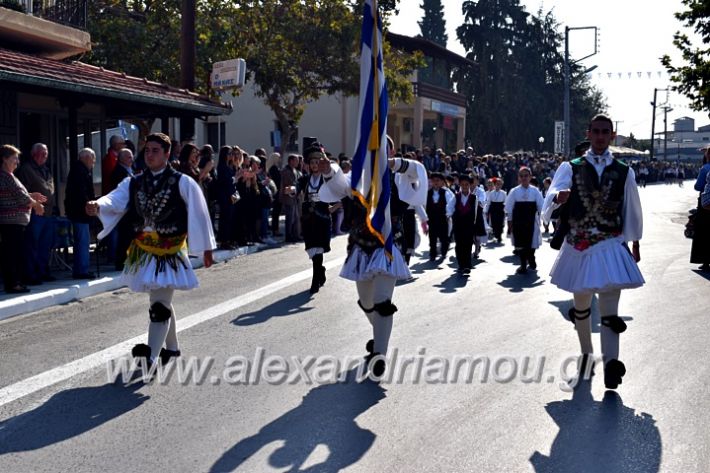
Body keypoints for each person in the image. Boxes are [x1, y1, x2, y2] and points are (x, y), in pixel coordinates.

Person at [86, 133, 215, 368]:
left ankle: (151, 358)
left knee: (159, 305)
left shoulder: (182, 182)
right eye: (147, 150)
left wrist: (205, 248)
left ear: (167, 154)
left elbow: (199, 213)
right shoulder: (134, 181)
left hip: (170, 252)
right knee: (160, 300)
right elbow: (115, 199)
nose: (150, 155)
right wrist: (98, 205)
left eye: (155, 150)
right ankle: (172, 348)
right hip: (144, 250)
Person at [543, 114, 644, 390]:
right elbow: (548, 202)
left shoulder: (625, 171)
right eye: (596, 131)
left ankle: (612, 365)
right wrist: (557, 199)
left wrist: (634, 242)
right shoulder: (571, 167)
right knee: (582, 307)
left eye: (605, 132)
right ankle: (587, 355)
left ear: (612, 135)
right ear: (589, 133)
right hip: (579, 248)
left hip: (611, 245)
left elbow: (631, 209)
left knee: (610, 310)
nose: (600, 136)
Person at [318, 137, 427, 376]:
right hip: (362, 246)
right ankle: (379, 337)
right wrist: (328, 170)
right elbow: (338, 187)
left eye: (383, 147)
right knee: (367, 303)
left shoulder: (399, 175)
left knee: (382, 301)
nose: (377, 151)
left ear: (392, 150)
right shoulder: (357, 177)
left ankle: (379, 354)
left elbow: (418, 174)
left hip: (389, 245)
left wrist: (393, 163)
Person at [0, 145, 47, 293]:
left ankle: (16, 282)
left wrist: (32, 196)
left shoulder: (10, 176)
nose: (17, 162)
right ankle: (13, 284)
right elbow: (20, 197)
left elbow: (19, 194)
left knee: (15, 253)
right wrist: (36, 205)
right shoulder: (4, 176)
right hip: (11, 222)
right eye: (14, 158)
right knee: (12, 254)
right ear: (4, 159)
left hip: (16, 222)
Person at [16, 143, 56, 284]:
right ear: (34, 154)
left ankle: (43, 272)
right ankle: (30, 275)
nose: (45, 155)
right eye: (42, 152)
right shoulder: (26, 169)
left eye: (46, 153)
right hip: (34, 213)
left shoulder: (46, 169)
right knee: (32, 245)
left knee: (45, 245)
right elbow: (22, 192)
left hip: (48, 213)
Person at [298, 146, 333, 294]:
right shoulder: (304, 179)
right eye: (312, 162)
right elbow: (296, 188)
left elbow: (339, 194)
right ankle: (321, 270)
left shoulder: (327, 179)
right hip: (308, 219)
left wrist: (334, 207)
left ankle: (315, 281)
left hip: (322, 218)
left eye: (317, 162)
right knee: (312, 249)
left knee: (319, 248)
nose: (314, 165)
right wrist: (292, 190)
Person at [65, 148, 98, 280]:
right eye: (92, 159)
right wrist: (89, 204)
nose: (93, 162)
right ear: (86, 158)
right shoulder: (80, 171)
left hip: (79, 211)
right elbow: (81, 192)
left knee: (82, 241)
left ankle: (81, 269)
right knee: (83, 242)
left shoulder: (80, 170)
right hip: (80, 212)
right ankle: (81, 270)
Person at [505, 166, 544, 274]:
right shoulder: (514, 191)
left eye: (526, 176)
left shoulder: (535, 191)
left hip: (531, 221)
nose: (524, 178)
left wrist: (543, 218)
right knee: (521, 244)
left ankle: (531, 258)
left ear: (530, 177)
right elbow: (509, 208)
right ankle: (523, 265)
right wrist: (510, 222)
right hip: (518, 222)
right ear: (518, 178)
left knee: (532, 242)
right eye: (521, 176)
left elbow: (541, 206)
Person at [425, 172, 455, 261]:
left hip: (443, 218)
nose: (436, 182)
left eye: (438, 180)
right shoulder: (428, 193)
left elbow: (451, 204)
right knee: (432, 238)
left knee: (444, 237)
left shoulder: (446, 193)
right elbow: (424, 206)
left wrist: (448, 214)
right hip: (432, 219)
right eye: (433, 181)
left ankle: (444, 251)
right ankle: (432, 254)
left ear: (442, 182)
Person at [452, 174, 477, 273]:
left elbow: (475, 212)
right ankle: (461, 264)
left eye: (467, 184)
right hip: (458, 224)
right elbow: (450, 207)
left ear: (470, 185)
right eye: (462, 185)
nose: (465, 187)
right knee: (459, 245)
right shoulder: (456, 196)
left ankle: (467, 264)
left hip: (469, 225)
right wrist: (449, 215)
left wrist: (474, 224)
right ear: (460, 185)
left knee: (468, 244)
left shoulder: (474, 197)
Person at [691, 146, 710, 272]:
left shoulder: (705, 169)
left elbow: (698, 186)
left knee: (704, 232)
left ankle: (705, 261)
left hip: (706, 204)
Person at [280, 154, 303, 242]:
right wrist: (298, 184)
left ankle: (295, 235)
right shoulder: (285, 171)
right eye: (296, 160)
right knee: (290, 218)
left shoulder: (296, 171)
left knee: (296, 217)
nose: (298, 162)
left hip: (295, 197)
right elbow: (289, 182)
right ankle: (288, 236)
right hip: (288, 197)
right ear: (291, 161)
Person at [485, 177, 506, 243]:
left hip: (500, 208)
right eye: (497, 184)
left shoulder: (504, 193)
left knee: (500, 223)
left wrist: (506, 211)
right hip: (493, 208)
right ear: (495, 184)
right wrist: (486, 210)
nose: (498, 185)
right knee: (494, 222)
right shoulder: (491, 193)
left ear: (501, 185)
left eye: (500, 184)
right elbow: (488, 202)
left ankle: (499, 235)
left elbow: (506, 202)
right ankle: (496, 234)